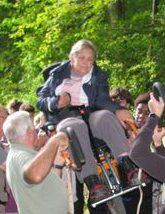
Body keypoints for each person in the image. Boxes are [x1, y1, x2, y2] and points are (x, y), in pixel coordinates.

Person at [36, 39, 141, 205]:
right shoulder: (56, 74)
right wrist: (57, 103)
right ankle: (93, 183)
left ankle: (128, 166)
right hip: (65, 116)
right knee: (74, 127)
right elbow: (41, 99)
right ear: (72, 57)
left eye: (90, 59)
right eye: (82, 58)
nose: (86, 63)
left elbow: (102, 99)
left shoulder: (97, 75)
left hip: (89, 113)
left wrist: (117, 109)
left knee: (105, 116)